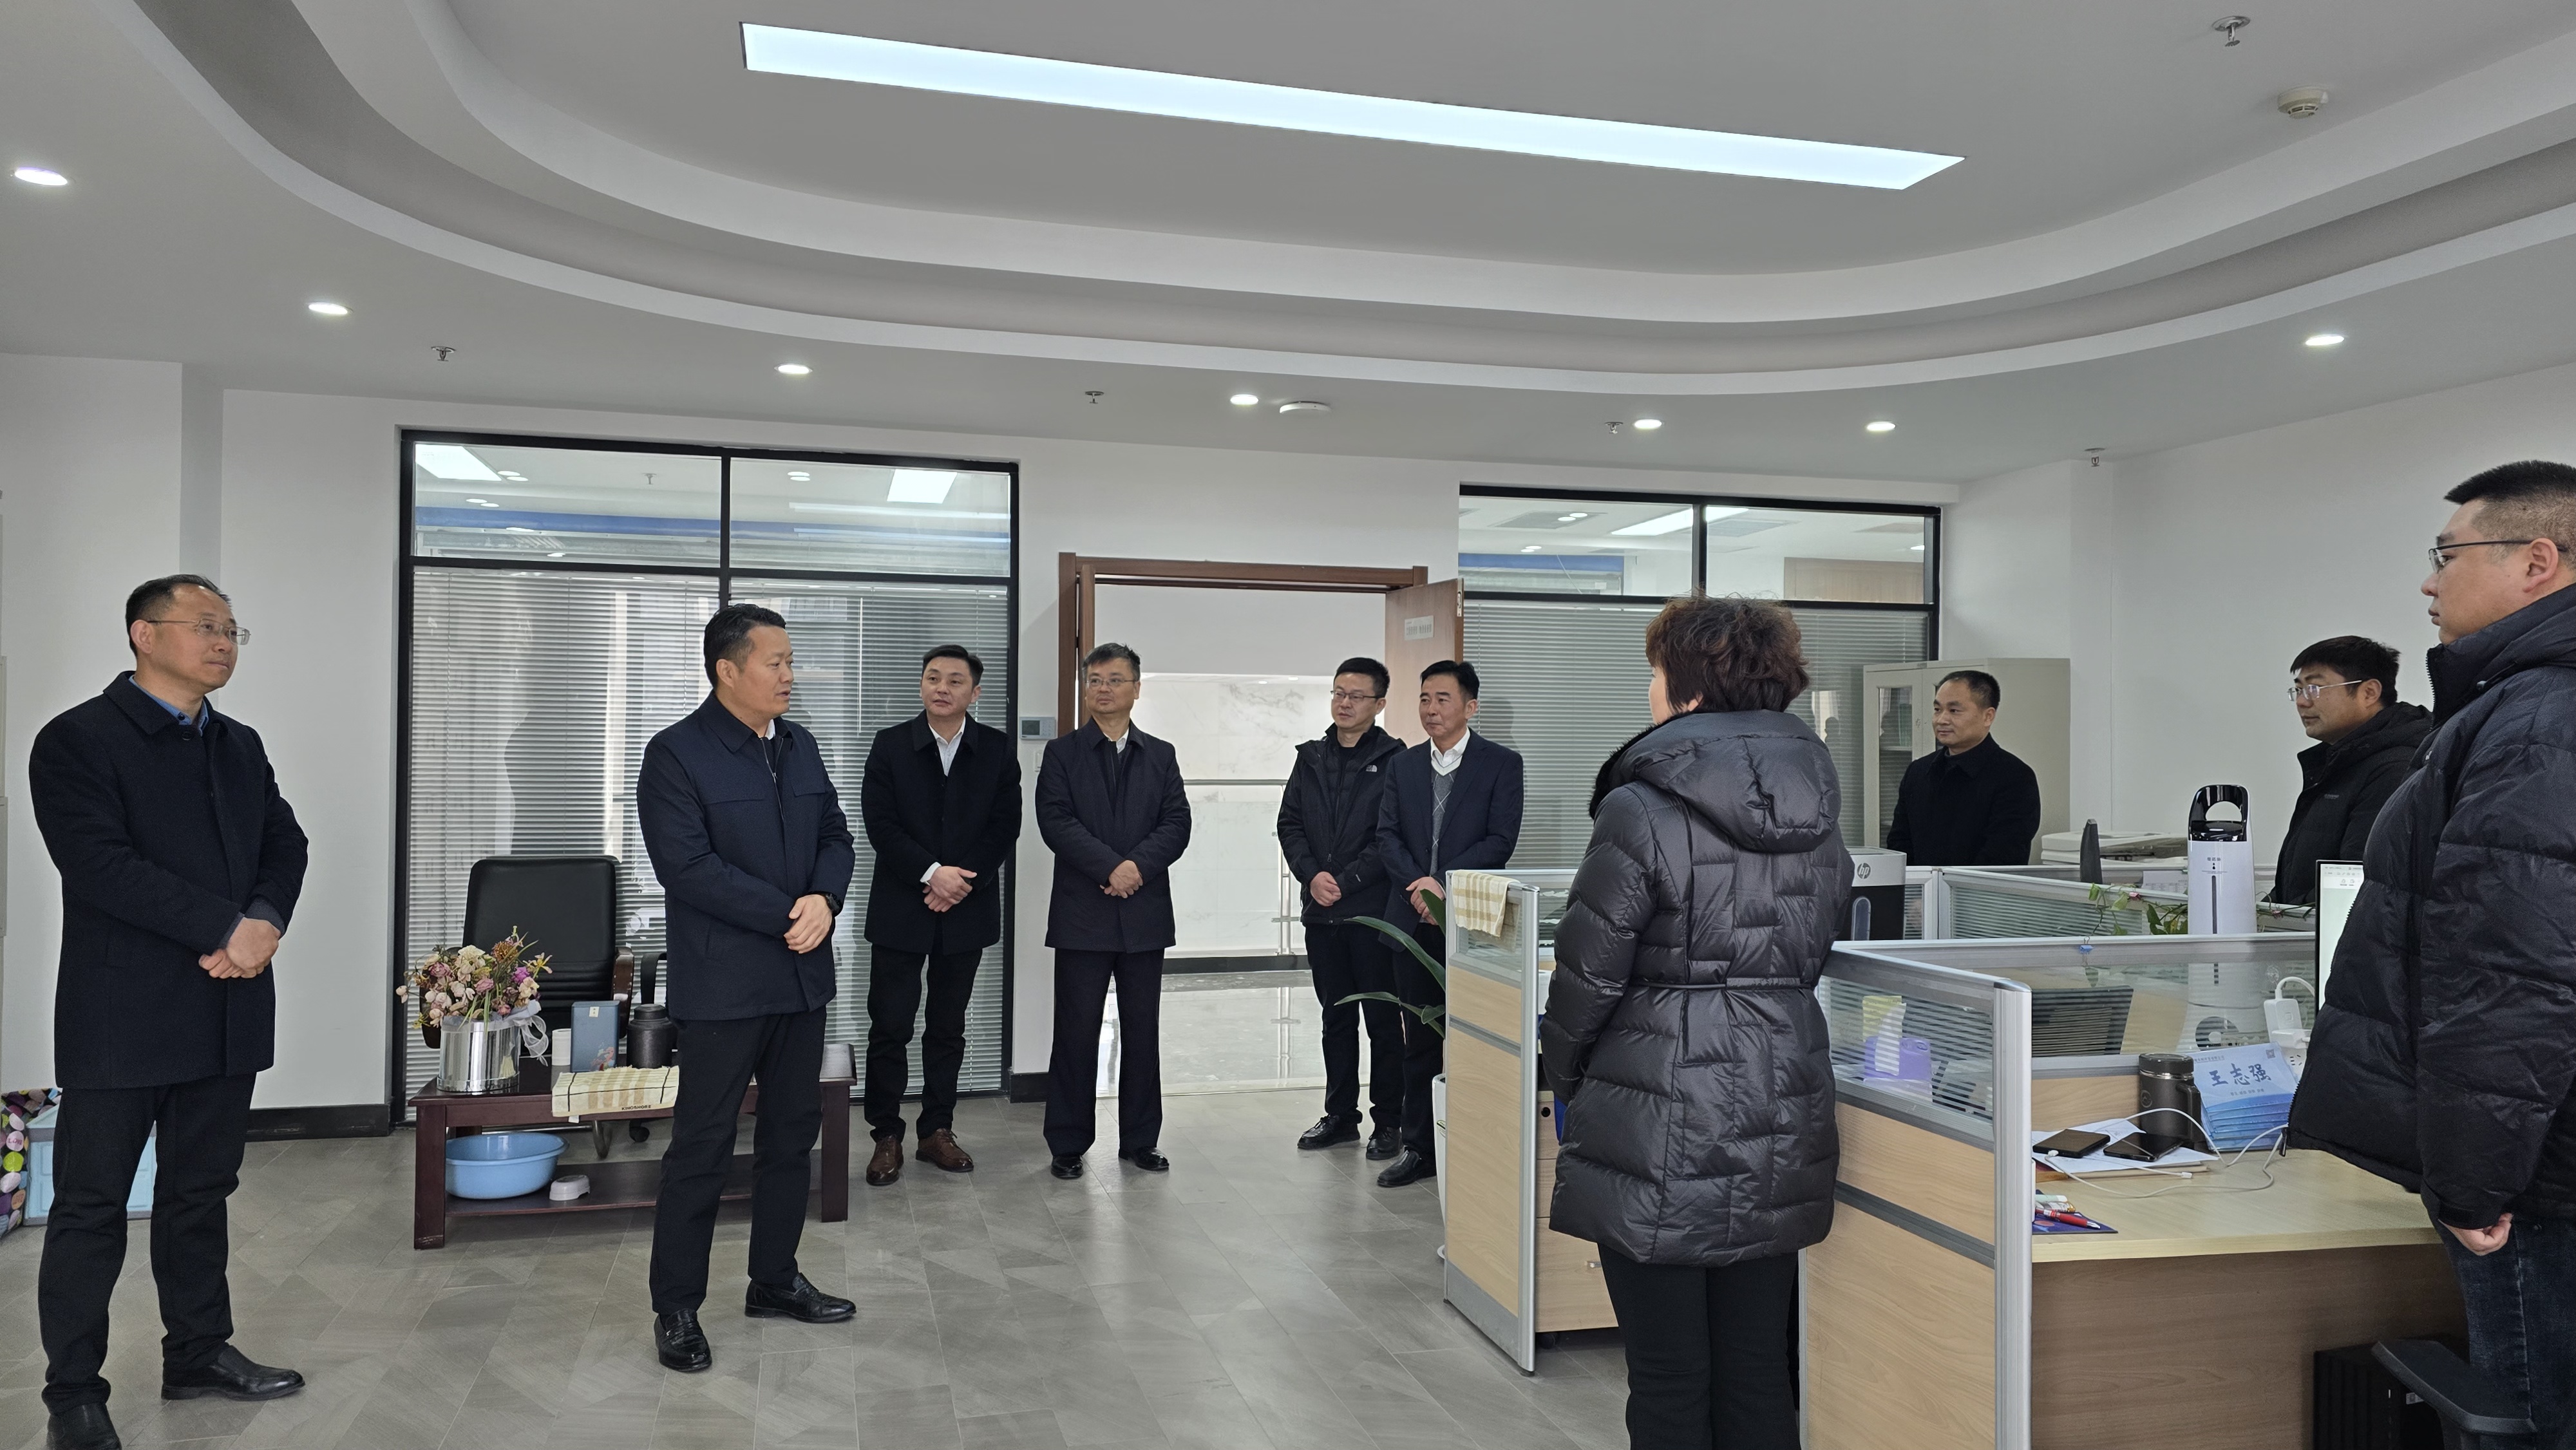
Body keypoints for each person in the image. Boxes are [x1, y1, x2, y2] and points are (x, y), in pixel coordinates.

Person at [2289, 460, 2576, 1450]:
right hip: (2543, 1143)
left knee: (2527, 1415)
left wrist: (2474, 1179)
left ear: (2537, 561)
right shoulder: (2519, 710)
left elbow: (2514, 971)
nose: (2428, 581)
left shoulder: (2539, 722)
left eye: (2447, 556)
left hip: (2538, 1170)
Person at [1543, 595, 1849, 1450]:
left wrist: (1567, 1080)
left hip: (1656, 1102)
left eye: (1654, 671)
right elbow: (1814, 948)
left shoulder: (1640, 807)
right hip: (1782, 1093)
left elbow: (1587, 974)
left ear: (1686, 685)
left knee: (1670, 1375)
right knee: (1757, 1370)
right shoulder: (1818, 808)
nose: (1648, 689)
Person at [29, 576, 311, 1450]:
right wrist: (228, 928)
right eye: (205, 626)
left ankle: (196, 1353)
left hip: (226, 1007)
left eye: (232, 629)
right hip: (123, 1014)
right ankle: (74, 1393)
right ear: (143, 634)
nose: (224, 642)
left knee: (200, 1195)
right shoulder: (78, 739)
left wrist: (264, 921)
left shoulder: (238, 742)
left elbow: (286, 841)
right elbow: (100, 864)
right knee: (91, 1206)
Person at [638, 603, 857, 1375]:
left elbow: (836, 834)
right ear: (727, 670)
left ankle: (774, 1278)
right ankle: (676, 1306)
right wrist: (790, 912)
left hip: (801, 979)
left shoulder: (800, 745)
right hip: (725, 984)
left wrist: (826, 898)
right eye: (776, 661)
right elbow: (688, 868)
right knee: (701, 1147)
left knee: (791, 1136)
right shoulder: (676, 753)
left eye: (791, 660)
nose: (790, 674)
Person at [858, 645, 1022, 1186]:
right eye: (933, 678)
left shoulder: (995, 748)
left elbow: (1004, 825)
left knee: (948, 1027)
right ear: (922, 685)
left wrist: (958, 882)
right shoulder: (890, 744)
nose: (942, 688)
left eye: (955, 680)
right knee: (891, 1025)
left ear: (975, 693)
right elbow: (880, 823)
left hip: (966, 908)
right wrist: (932, 874)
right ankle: (886, 1134)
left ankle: (937, 1131)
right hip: (902, 906)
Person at [1036, 643, 1191, 1180]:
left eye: (1115, 679)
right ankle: (1068, 1143)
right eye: (1096, 680)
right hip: (1083, 914)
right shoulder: (1062, 753)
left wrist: (1136, 868)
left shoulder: (1161, 754)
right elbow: (1055, 821)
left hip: (1144, 914)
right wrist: (1110, 868)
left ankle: (1141, 1140)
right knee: (1075, 1031)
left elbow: (1177, 824)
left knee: (1143, 1031)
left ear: (1137, 689)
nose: (1104, 689)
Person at [1372, 660, 1523, 1189]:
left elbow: (1500, 840)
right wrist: (1418, 884)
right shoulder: (1404, 765)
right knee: (1418, 1039)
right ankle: (1420, 1148)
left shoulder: (1501, 764)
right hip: (1411, 919)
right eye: (1424, 699)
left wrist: (1441, 883)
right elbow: (1387, 835)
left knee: (1475, 1037)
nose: (1431, 709)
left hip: (1470, 922)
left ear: (1470, 707)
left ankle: (1475, 1142)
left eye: (1442, 699)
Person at [1276, 656, 1406, 1157]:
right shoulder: (1310, 757)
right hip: (1322, 912)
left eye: (1355, 696)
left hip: (1371, 912)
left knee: (1382, 1021)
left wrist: (1346, 881)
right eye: (1338, 693)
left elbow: (1391, 834)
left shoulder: (1396, 761)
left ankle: (1389, 1121)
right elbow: (1290, 824)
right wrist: (1312, 876)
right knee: (1335, 1018)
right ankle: (1340, 1116)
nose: (1344, 703)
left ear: (1379, 703)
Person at [2268, 636, 2431, 906]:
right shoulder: (2339, 762)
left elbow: (2356, 882)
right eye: (2298, 690)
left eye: (2315, 688)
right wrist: (2270, 909)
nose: (2302, 702)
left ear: (2369, 693)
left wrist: (2285, 914)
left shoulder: (2394, 769)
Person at [1882, 669, 2043, 867]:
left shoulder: (2015, 777)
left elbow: (2003, 857)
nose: (1942, 720)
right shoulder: (1919, 771)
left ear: (1988, 717)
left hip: (1978, 887)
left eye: (1954, 711)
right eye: (1937, 709)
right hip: (1919, 886)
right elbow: (1899, 844)